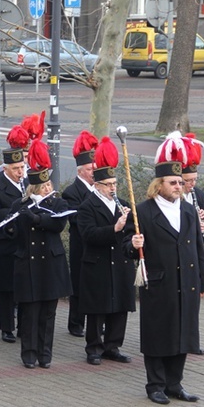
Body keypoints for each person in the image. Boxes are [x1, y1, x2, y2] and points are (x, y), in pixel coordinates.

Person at [123, 135, 204, 405]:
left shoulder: (187, 210)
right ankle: (156, 385)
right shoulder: (143, 212)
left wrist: (203, 281)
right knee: (159, 335)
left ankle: (175, 383)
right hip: (160, 283)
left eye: (180, 182)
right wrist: (133, 243)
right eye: (173, 182)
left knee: (183, 334)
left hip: (187, 281)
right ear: (158, 185)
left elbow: (198, 246)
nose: (178, 186)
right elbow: (128, 246)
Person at [3, 139, 71, 369]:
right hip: (28, 265)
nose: (48, 189)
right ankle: (29, 354)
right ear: (34, 188)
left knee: (48, 313)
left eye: (49, 185)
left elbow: (58, 225)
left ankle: (45, 354)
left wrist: (37, 219)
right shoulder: (19, 205)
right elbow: (11, 234)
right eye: (44, 187)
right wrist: (12, 226)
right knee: (30, 313)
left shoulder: (57, 204)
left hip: (50, 264)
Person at [76, 137, 135, 365]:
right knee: (97, 308)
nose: (112, 188)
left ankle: (113, 346)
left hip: (120, 262)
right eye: (108, 185)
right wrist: (115, 228)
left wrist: (130, 229)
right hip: (97, 262)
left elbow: (129, 233)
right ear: (97, 185)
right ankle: (93, 348)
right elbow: (88, 235)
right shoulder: (87, 206)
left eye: (114, 184)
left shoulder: (121, 203)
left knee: (119, 307)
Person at [0, 126, 29, 343]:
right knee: (7, 287)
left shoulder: (27, 184)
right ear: (6, 169)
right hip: (6, 244)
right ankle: (6, 327)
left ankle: (23, 325)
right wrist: (16, 209)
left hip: (25, 242)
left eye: (22, 167)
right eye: (17, 168)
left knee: (23, 286)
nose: (21, 172)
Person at [61, 131, 98, 338]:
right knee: (78, 284)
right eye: (91, 169)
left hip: (99, 243)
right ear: (80, 171)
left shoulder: (100, 189)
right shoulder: (71, 192)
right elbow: (75, 219)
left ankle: (96, 320)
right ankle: (75, 322)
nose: (94, 172)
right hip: (80, 245)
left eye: (95, 168)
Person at [181, 133, 204, 355]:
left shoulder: (198, 195)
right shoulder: (173, 196)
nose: (192, 185)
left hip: (197, 252)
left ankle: (192, 341)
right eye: (188, 181)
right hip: (181, 253)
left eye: (195, 180)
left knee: (195, 301)